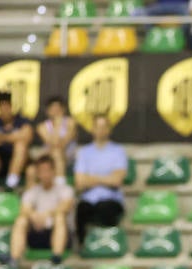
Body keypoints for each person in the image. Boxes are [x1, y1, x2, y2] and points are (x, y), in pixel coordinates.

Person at [72, 115, 127, 247]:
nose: (101, 130)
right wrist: (105, 178)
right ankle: (82, 246)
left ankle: (107, 246)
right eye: (97, 127)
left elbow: (117, 180)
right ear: (92, 129)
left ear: (109, 130)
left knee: (106, 208)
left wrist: (92, 178)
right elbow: (79, 182)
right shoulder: (84, 152)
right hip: (89, 200)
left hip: (111, 199)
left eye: (104, 127)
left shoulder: (118, 151)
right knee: (81, 209)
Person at [0, 91, 34, 193]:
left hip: (19, 162)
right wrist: (12, 137)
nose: (4, 110)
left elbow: (27, 136)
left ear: (11, 107)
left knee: (20, 145)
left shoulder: (21, 121)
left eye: (7, 107)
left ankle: (11, 182)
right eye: (1, 107)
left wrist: (3, 138)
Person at [36, 96, 77, 180]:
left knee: (57, 152)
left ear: (63, 110)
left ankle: (60, 184)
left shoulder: (70, 122)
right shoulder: (42, 127)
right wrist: (58, 126)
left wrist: (59, 123)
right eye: (53, 109)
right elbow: (52, 143)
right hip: (51, 155)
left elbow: (63, 144)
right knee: (55, 153)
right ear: (48, 111)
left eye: (58, 109)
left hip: (69, 155)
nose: (56, 112)